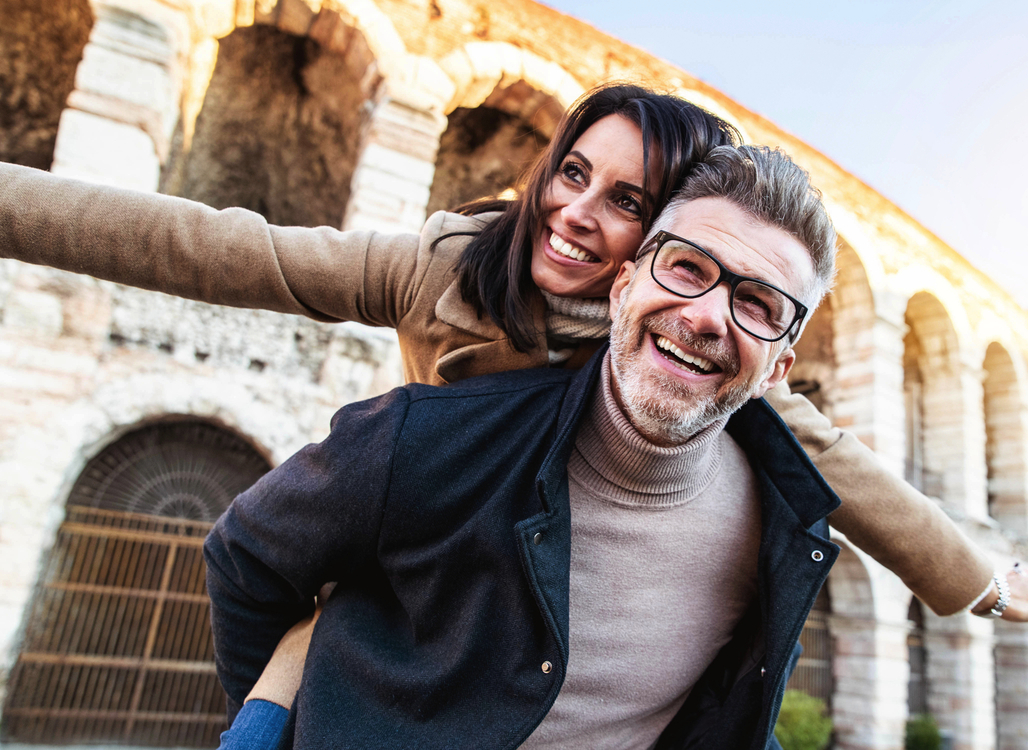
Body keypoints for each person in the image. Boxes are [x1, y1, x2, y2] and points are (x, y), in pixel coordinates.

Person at [204, 145, 845, 749]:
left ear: (776, 371)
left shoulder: (782, 531)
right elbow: (247, 558)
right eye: (687, 267)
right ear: (622, 286)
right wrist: (269, 724)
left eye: (758, 305)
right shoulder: (430, 435)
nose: (707, 316)